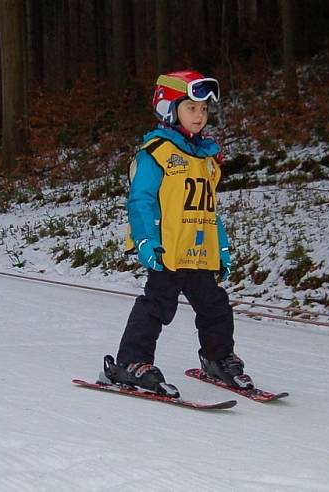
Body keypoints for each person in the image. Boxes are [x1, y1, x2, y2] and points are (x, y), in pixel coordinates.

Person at [102, 70, 252, 396]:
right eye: (191, 108)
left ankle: (217, 357)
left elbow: (209, 211)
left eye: (203, 110)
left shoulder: (207, 159)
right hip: (167, 250)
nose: (199, 116)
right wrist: (145, 241)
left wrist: (222, 250)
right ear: (169, 110)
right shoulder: (156, 154)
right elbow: (140, 201)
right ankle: (132, 361)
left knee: (215, 306)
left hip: (198, 252)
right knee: (156, 305)